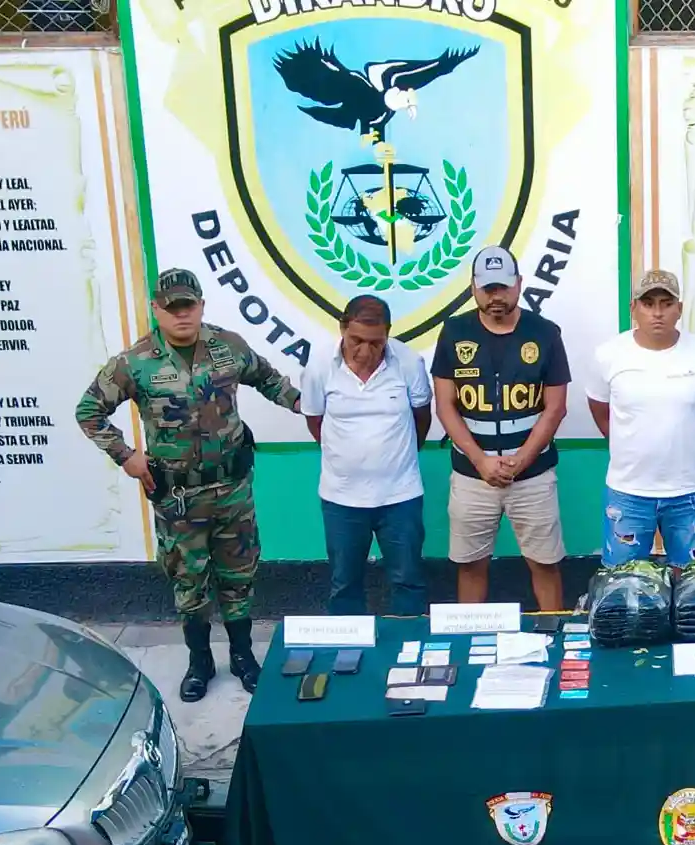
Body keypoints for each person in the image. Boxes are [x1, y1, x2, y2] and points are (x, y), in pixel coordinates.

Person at [77, 268, 302, 701]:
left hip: (232, 489)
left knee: (239, 575)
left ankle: (242, 656)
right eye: (172, 307)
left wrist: (312, 407)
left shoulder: (228, 347)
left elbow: (271, 381)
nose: (182, 314)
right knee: (189, 581)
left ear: (201, 305)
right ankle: (200, 661)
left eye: (189, 305)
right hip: (179, 498)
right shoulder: (135, 362)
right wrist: (125, 455)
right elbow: (89, 411)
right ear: (156, 309)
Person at [431, 246, 571, 610]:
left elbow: (555, 408)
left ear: (519, 284)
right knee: (470, 566)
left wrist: (521, 460)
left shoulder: (545, 333)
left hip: (533, 475)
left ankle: (554, 632)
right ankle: (468, 639)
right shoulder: (454, 332)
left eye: (504, 287)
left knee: (545, 564)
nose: (496, 296)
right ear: (473, 287)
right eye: (488, 288)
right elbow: (445, 406)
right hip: (472, 475)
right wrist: (481, 462)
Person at [584, 269, 695, 566]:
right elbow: (601, 411)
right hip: (628, 492)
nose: (657, 313)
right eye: (648, 303)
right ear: (633, 308)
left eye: (666, 303)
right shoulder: (608, 355)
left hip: (689, 493)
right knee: (623, 582)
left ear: (680, 308)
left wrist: (685, 445)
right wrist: (629, 445)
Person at [300, 295, 433, 616]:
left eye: (376, 342)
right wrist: (347, 458)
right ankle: (348, 647)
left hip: (400, 496)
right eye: (356, 340)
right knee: (344, 584)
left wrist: (395, 458)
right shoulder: (319, 366)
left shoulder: (409, 362)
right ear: (342, 329)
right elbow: (316, 421)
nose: (365, 351)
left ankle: (408, 642)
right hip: (341, 498)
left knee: (408, 581)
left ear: (388, 333)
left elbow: (422, 418)